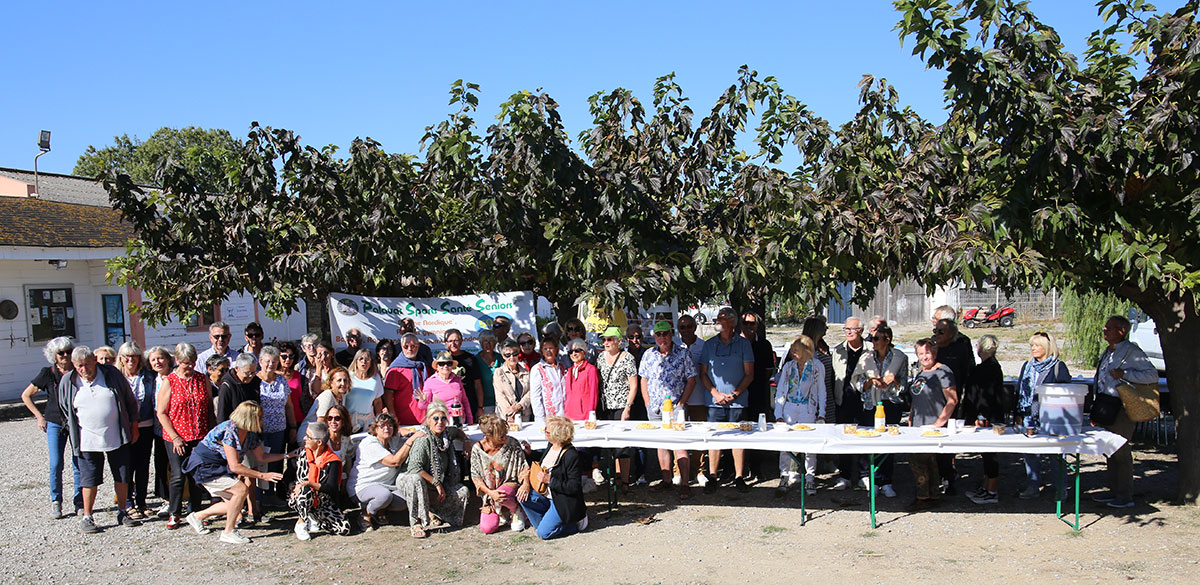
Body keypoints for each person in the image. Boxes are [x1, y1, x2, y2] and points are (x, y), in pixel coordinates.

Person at [57, 346, 141, 533]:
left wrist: (133, 426)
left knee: (122, 474)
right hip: (86, 438)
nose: (84, 369)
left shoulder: (111, 374)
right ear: (74, 365)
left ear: (95, 360)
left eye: (87, 364)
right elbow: (64, 407)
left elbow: (129, 400)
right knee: (89, 479)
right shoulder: (68, 381)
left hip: (116, 434)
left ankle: (122, 511)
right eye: (79, 366)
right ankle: (87, 516)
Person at [182, 401, 287, 545]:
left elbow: (261, 457)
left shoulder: (250, 434)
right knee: (240, 490)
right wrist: (263, 476)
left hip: (218, 466)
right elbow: (235, 467)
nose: (263, 421)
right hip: (205, 466)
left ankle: (198, 516)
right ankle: (228, 532)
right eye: (260, 417)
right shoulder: (230, 431)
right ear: (250, 419)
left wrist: (287, 455)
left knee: (234, 503)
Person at [1092, 315, 1156, 509]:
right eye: (1105, 327)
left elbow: (1151, 375)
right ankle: (1114, 491)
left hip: (1121, 408)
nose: (1105, 330)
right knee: (1109, 451)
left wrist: (1125, 375)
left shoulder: (1131, 351)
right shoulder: (1108, 352)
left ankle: (1125, 495)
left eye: (1109, 328)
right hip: (1106, 405)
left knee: (1121, 451)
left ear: (1122, 331)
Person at [20, 336, 82, 519]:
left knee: (79, 461)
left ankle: (79, 501)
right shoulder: (47, 373)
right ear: (53, 355)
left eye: (68, 352)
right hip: (54, 421)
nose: (65, 356)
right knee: (56, 463)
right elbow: (26, 395)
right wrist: (39, 417)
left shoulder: (80, 370)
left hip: (76, 421)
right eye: (61, 353)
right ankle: (56, 500)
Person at [156, 342, 216, 529]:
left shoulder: (201, 379)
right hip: (177, 436)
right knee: (177, 476)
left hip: (199, 434)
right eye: (185, 363)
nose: (189, 366)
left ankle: (196, 511)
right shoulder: (170, 381)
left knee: (197, 475)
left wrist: (212, 434)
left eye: (191, 362)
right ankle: (175, 512)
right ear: (177, 361)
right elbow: (162, 412)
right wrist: (175, 437)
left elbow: (208, 408)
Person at [639, 320, 698, 498]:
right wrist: (647, 403)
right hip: (655, 408)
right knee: (662, 445)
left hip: (675, 407)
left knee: (680, 445)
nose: (662, 338)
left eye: (665, 334)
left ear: (671, 334)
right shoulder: (649, 354)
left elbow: (691, 379)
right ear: (654, 336)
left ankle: (685, 483)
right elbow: (644, 379)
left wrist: (681, 404)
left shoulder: (683, 353)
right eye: (658, 334)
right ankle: (666, 480)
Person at [699, 307, 755, 493]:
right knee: (715, 439)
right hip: (714, 401)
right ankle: (712, 476)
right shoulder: (709, 345)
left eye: (721, 319)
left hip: (737, 401)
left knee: (737, 439)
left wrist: (734, 394)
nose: (717, 322)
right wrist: (715, 393)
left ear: (731, 322)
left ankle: (739, 476)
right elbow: (703, 373)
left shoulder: (744, 344)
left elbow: (749, 374)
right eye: (717, 319)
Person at [396, 401, 471, 538]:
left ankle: (436, 513)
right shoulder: (423, 439)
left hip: (435, 483)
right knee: (416, 480)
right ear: (428, 420)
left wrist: (466, 441)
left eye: (443, 418)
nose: (439, 422)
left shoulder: (446, 434)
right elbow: (415, 468)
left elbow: (458, 431)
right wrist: (436, 482)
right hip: (412, 480)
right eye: (435, 418)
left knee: (462, 492)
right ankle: (416, 523)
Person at [849, 325, 908, 497]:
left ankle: (886, 481)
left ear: (887, 339)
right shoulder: (867, 358)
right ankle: (872, 480)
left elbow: (905, 383)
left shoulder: (899, 357)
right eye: (871, 339)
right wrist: (869, 382)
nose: (872, 342)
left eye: (876, 339)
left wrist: (894, 380)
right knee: (870, 442)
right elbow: (857, 382)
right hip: (870, 405)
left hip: (890, 403)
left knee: (888, 443)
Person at [1014, 331, 1071, 499]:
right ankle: (1033, 486)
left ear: (1047, 347)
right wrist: (1018, 412)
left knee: (1055, 455)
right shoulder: (1027, 366)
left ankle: (1061, 488)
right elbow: (1020, 390)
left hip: (1051, 417)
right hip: (1028, 416)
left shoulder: (1058, 367)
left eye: (1037, 345)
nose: (1033, 348)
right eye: (1032, 345)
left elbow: (1065, 393)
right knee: (1030, 453)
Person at [906, 338, 958, 512]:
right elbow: (916, 397)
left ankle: (923, 497)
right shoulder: (921, 373)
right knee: (929, 463)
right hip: (918, 425)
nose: (924, 357)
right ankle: (932, 495)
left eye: (927, 353)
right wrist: (911, 417)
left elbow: (952, 400)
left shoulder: (943, 372)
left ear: (934, 353)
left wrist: (939, 423)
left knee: (917, 461)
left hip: (933, 426)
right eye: (921, 354)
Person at [518, 416, 588, 540]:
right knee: (522, 497)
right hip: (546, 494)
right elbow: (545, 461)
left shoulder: (571, 455)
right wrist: (530, 454)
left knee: (543, 534)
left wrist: (549, 480)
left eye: (547, 431)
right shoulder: (551, 445)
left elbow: (574, 486)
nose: (544, 432)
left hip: (560, 499)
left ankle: (573, 525)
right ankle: (548, 522)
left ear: (557, 435)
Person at [774, 336, 826, 496]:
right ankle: (784, 476)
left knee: (810, 445)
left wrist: (821, 413)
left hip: (807, 409)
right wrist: (778, 413)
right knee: (785, 444)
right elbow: (781, 390)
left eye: (796, 350)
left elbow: (821, 391)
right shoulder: (789, 367)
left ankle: (810, 477)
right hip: (789, 408)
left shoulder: (817, 366)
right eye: (792, 350)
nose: (793, 353)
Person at [349, 413, 418, 531]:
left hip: (387, 486)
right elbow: (394, 462)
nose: (386, 428)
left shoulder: (392, 441)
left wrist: (409, 433)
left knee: (405, 499)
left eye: (390, 425)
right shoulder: (369, 443)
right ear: (375, 428)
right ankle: (365, 515)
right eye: (382, 426)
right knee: (383, 496)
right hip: (364, 486)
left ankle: (380, 509)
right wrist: (410, 440)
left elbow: (401, 433)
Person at [963, 335, 1007, 505]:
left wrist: (979, 416)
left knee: (990, 454)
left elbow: (984, 397)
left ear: (980, 348)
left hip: (987, 417)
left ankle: (992, 490)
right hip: (990, 415)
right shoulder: (993, 367)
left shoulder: (986, 369)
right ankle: (986, 487)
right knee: (986, 453)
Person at [289, 421, 352, 540]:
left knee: (344, 529)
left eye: (308, 436)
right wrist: (291, 486)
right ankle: (301, 522)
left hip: (323, 501)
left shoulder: (332, 461)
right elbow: (288, 475)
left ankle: (315, 517)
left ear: (319, 442)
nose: (304, 438)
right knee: (306, 490)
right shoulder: (301, 454)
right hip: (301, 497)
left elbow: (332, 488)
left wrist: (310, 483)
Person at [116, 341, 158, 518]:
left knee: (143, 465)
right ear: (121, 358)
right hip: (124, 428)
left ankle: (141, 501)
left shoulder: (148, 376)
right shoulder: (116, 378)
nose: (131, 359)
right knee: (127, 466)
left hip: (145, 426)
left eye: (134, 356)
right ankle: (128, 503)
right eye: (127, 356)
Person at [470, 414, 531, 534]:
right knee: (488, 528)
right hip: (490, 491)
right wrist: (491, 493)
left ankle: (515, 509)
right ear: (488, 435)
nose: (505, 437)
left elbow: (523, 466)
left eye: (505, 433)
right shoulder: (478, 449)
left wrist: (526, 484)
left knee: (503, 494)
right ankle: (501, 512)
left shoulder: (512, 443)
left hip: (510, 484)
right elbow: (475, 476)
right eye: (501, 435)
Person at [933, 317, 973, 493]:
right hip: (932, 402)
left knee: (947, 442)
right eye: (935, 331)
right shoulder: (932, 348)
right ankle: (934, 480)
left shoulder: (960, 349)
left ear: (951, 333)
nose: (936, 334)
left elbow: (968, 374)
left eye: (941, 331)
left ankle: (949, 478)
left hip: (952, 401)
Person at [596, 326, 638, 487]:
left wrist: (628, 407)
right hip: (605, 406)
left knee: (623, 445)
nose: (606, 342)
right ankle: (613, 478)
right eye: (604, 339)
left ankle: (625, 481)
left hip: (621, 405)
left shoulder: (627, 358)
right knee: (609, 444)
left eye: (609, 339)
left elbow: (633, 385)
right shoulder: (601, 358)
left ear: (618, 341)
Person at [830, 316, 868, 490]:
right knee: (843, 437)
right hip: (843, 400)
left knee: (864, 436)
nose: (849, 332)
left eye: (853, 329)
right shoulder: (838, 351)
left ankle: (864, 475)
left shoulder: (870, 350)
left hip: (864, 400)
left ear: (861, 331)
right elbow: (833, 378)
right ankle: (844, 475)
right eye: (846, 329)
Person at [256, 345, 296, 499]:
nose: (270, 365)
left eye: (273, 362)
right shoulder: (255, 380)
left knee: (277, 463)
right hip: (261, 430)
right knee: (261, 463)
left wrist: (292, 427)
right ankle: (260, 497)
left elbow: (289, 405)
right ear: (260, 361)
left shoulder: (281, 380)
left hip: (279, 429)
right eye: (267, 361)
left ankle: (274, 495)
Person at [147, 346, 175, 514]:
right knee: (161, 464)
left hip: (176, 429)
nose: (157, 362)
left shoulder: (175, 377)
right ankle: (166, 499)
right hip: (158, 430)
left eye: (160, 358)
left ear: (168, 359)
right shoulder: (152, 380)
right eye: (153, 360)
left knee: (176, 466)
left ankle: (181, 498)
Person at [384, 333, 432, 425]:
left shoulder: (425, 366)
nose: (410, 349)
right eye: (406, 346)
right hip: (403, 421)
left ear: (418, 346)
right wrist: (393, 417)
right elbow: (388, 396)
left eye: (413, 346)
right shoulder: (395, 370)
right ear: (402, 347)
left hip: (426, 420)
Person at [741, 311, 777, 426]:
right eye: (745, 323)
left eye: (752, 323)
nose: (748, 326)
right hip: (738, 392)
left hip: (759, 393)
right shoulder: (734, 343)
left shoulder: (765, 344)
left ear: (757, 325)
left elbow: (768, 370)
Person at [299, 367, 351, 439]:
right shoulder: (328, 396)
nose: (343, 383)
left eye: (345, 380)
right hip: (310, 437)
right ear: (331, 383)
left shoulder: (343, 396)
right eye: (339, 380)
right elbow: (320, 422)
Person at [424, 351, 474, 425]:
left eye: (449, 363)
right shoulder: (430, 382)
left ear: (452, 367)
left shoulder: (457, 380)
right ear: (437, 367)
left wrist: (470, 420)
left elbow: (465, 401)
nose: (445, 366)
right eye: (441, 364)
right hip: (441, 422)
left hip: (460, 421)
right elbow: (423, 407)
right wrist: (422, 400)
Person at [445, 329, 485, 420]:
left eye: (456, 340)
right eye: (450, 341)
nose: (453, 344)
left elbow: (478, 384)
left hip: (470, 403)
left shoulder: (471, 359)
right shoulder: (442, 361)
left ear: (461, 341)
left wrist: (480, 407)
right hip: (448, 405)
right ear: (446, 343)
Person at [494, 340, 533, 422]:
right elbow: (500, 396)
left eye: (514, 354)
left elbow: (530, 392)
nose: (512, 357)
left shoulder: (526, 372)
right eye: (507, 355)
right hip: (507, 417)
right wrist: (509, 413)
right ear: (503, 356)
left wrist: (519, 406)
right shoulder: (499, 372)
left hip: (525, 414)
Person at [216, 353, 261, 423]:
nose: (250, 376)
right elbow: (222, 414)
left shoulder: (255, 381)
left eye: (253, 372)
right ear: (237, 369)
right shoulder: (227, 386)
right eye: (247, 373)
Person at [530, 338, 566, 422]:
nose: (548, 351)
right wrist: (540, 418)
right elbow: (535, 396)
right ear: (541, 351)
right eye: (545, 349)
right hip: (548, 417)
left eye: (551, 348)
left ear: (556, 350)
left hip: (565, 414)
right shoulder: (538, 369)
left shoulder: (562, 367)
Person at [347, 349, 384, 433]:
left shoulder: (376, 378)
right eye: (361, 359)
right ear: (356, 361)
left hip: (368, 423)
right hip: (349, 422)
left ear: (371, 363)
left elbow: (378, 402)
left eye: (367, 359)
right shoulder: (348, 376)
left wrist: (378, 421)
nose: (364, 362)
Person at [562, 338, 599, 421]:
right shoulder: (569, 371)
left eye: (577, 350)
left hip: (584, 415)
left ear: (584, 352)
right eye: (571, 352)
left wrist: (591, 415)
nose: (574, 354)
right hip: (569, 415)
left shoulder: (591, 369)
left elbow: (594, 394)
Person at [476, 331, 502, 415]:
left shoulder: (501, 358)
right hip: (484, 404)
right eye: (485, 341)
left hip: (502, 402)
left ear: (495, 343)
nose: (488, 344)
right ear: (480, 343)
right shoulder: (475, 360)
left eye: (491, 341)